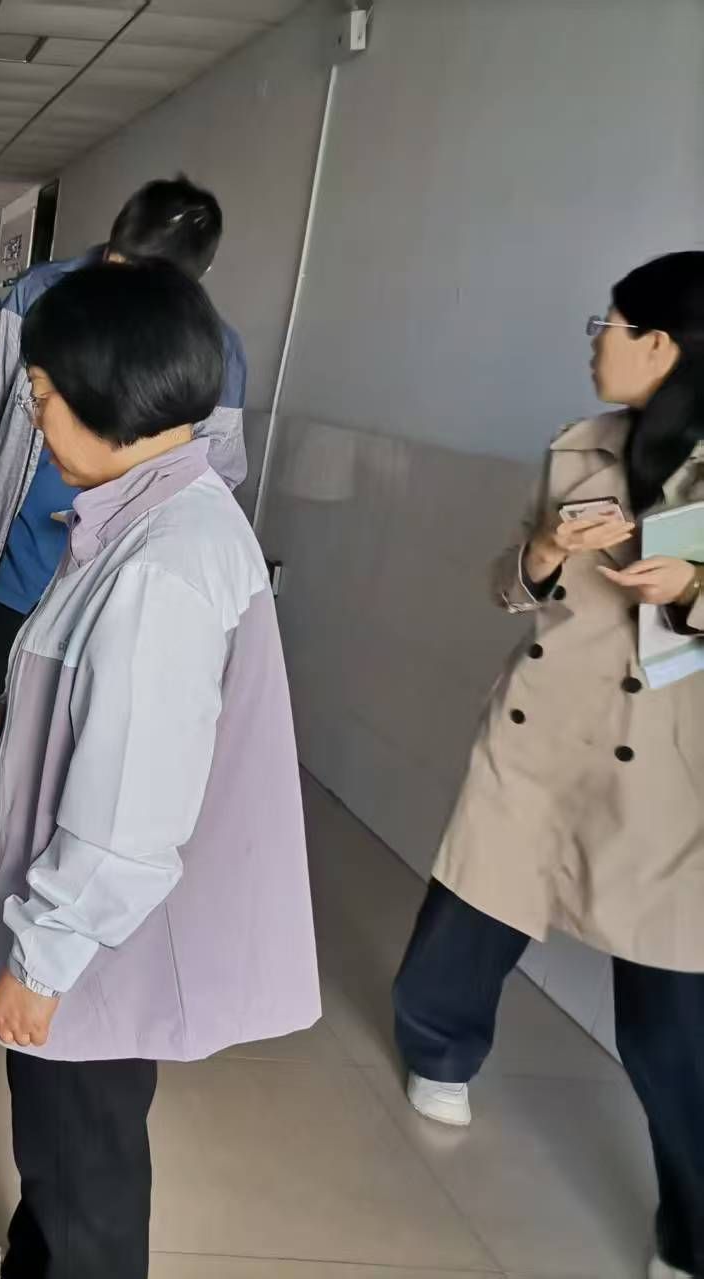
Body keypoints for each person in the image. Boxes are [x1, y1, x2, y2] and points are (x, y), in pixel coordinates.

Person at [0, 260, 319, 1279]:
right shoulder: (157, 512)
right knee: (65, 1149)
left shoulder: (162, 563)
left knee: (85, 1167)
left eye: (40, 396)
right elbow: (112, 705)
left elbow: (127, 816)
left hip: (92, 939)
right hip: (95, 934)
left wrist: (41, 962)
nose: (35, 421)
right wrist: (19, 714)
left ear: (104, 391)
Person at [391, 252, 704, 1279]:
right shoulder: (580, 446)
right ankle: (438, 1047)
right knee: (472, 906)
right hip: (544, 725)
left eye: (607, 324)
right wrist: (541, 549)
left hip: (670, 761)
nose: (593, 341)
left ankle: (691, 1228)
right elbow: (506, 585)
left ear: (662, 345)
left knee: (670, 1016)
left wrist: (687, 586)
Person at [0, 174, 251, 958]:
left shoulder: (213, 348)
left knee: (83, 757)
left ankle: (44, 912)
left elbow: (220, 468)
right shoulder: (41, 295)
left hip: (105, 586)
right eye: (117, 265)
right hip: (6, 570)